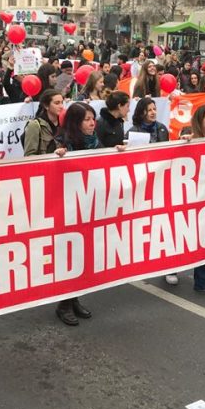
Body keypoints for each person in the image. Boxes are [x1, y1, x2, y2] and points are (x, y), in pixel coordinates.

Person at [52, 102, 123, 326]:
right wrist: (56, 157)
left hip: (89, 208)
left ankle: (73, 299)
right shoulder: (61, 143)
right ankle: (63, 304)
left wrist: (117, 153)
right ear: (75, 122)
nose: (92, 123)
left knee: (82, 257)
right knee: (68, 258)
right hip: (67, 210)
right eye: (86, 119)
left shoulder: (94, 142)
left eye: (93, 118)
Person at [165, 105, 205, 293]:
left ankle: (203, 280)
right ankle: (171, 268)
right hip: (187, 197)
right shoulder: (188, 136)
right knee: (183, 234)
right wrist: (184, 142)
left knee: (204, 238)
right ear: (199, 120)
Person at [23, 89, 64, 156]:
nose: (61, 106)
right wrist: (52, 156)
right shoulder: (34, 125)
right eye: (57, 103)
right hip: (44, 165)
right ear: (46, 106)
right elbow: (29, 156)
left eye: (62, 102)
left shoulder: (64, 122)